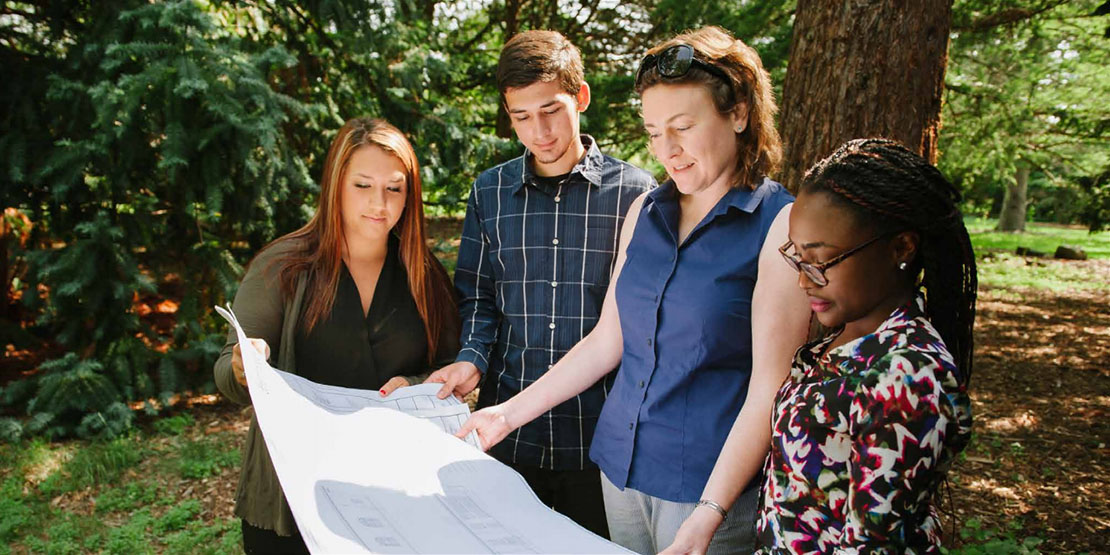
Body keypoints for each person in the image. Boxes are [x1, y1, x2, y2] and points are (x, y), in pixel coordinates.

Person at [457, 26, 810, 554]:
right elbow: (608, 340)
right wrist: (505, 415)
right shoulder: (645, 211)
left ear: (738, 113)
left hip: (706, 494)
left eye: (683, 127)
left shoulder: (779, 224)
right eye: (652, 132)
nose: (667, 150)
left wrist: (710, 513)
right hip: (618, 475)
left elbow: (769, 388)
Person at [422, 30, 656, 538]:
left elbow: (640, 325)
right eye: (521, 117)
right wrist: (472, 356)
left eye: (551, 110)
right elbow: (479, 299)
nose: (539, 132)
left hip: (598, 446)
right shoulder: (489, 192)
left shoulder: (637, 196)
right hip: (506, 442)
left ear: (582, 97)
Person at [213, 118, 459, 554]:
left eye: (394, 188)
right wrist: (244, 363)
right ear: (335, 186)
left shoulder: (426, 276)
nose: (379, 203)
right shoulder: (282, 267)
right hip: (293, 495)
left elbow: (449, 367)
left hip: (394, 490)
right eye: (362, 185)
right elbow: (228, 376)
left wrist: (418, 384)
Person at [756, 138, 976, 551]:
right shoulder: (849, 332)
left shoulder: (907, 377)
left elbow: (871, 545)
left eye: (821, 261)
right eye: (797, 256)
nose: (804, 279)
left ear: (901, 248)